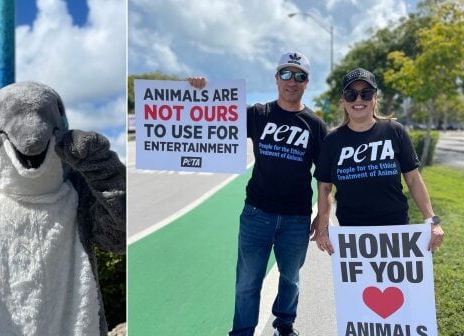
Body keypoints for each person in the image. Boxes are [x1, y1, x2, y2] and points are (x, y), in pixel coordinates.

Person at [189, 52, 328, 336]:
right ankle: (242, 332)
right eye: (286, 74)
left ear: (307, 82)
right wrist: (199, 93)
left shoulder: (315, 125)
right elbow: (212, 120)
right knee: (247, 282)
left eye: (299, 75)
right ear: (276, 78)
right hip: (257, 214)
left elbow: (325, 178)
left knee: (290, 279)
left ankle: (284, 325)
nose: (292, 81)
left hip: (297, 218)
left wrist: (322, 216)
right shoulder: (257, 114)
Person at [311, 67, 444, 255]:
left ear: (375, 98)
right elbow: (325, 188)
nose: (358, 100)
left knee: (399, 285)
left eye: (366, 93)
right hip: (352, 235)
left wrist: (432, 221)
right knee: (359, 285)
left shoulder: (394, 131)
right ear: (343, 101)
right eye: (351, 94)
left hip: (395, 231)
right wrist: (324, 227)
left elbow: (413, 180)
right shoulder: (332, 141)